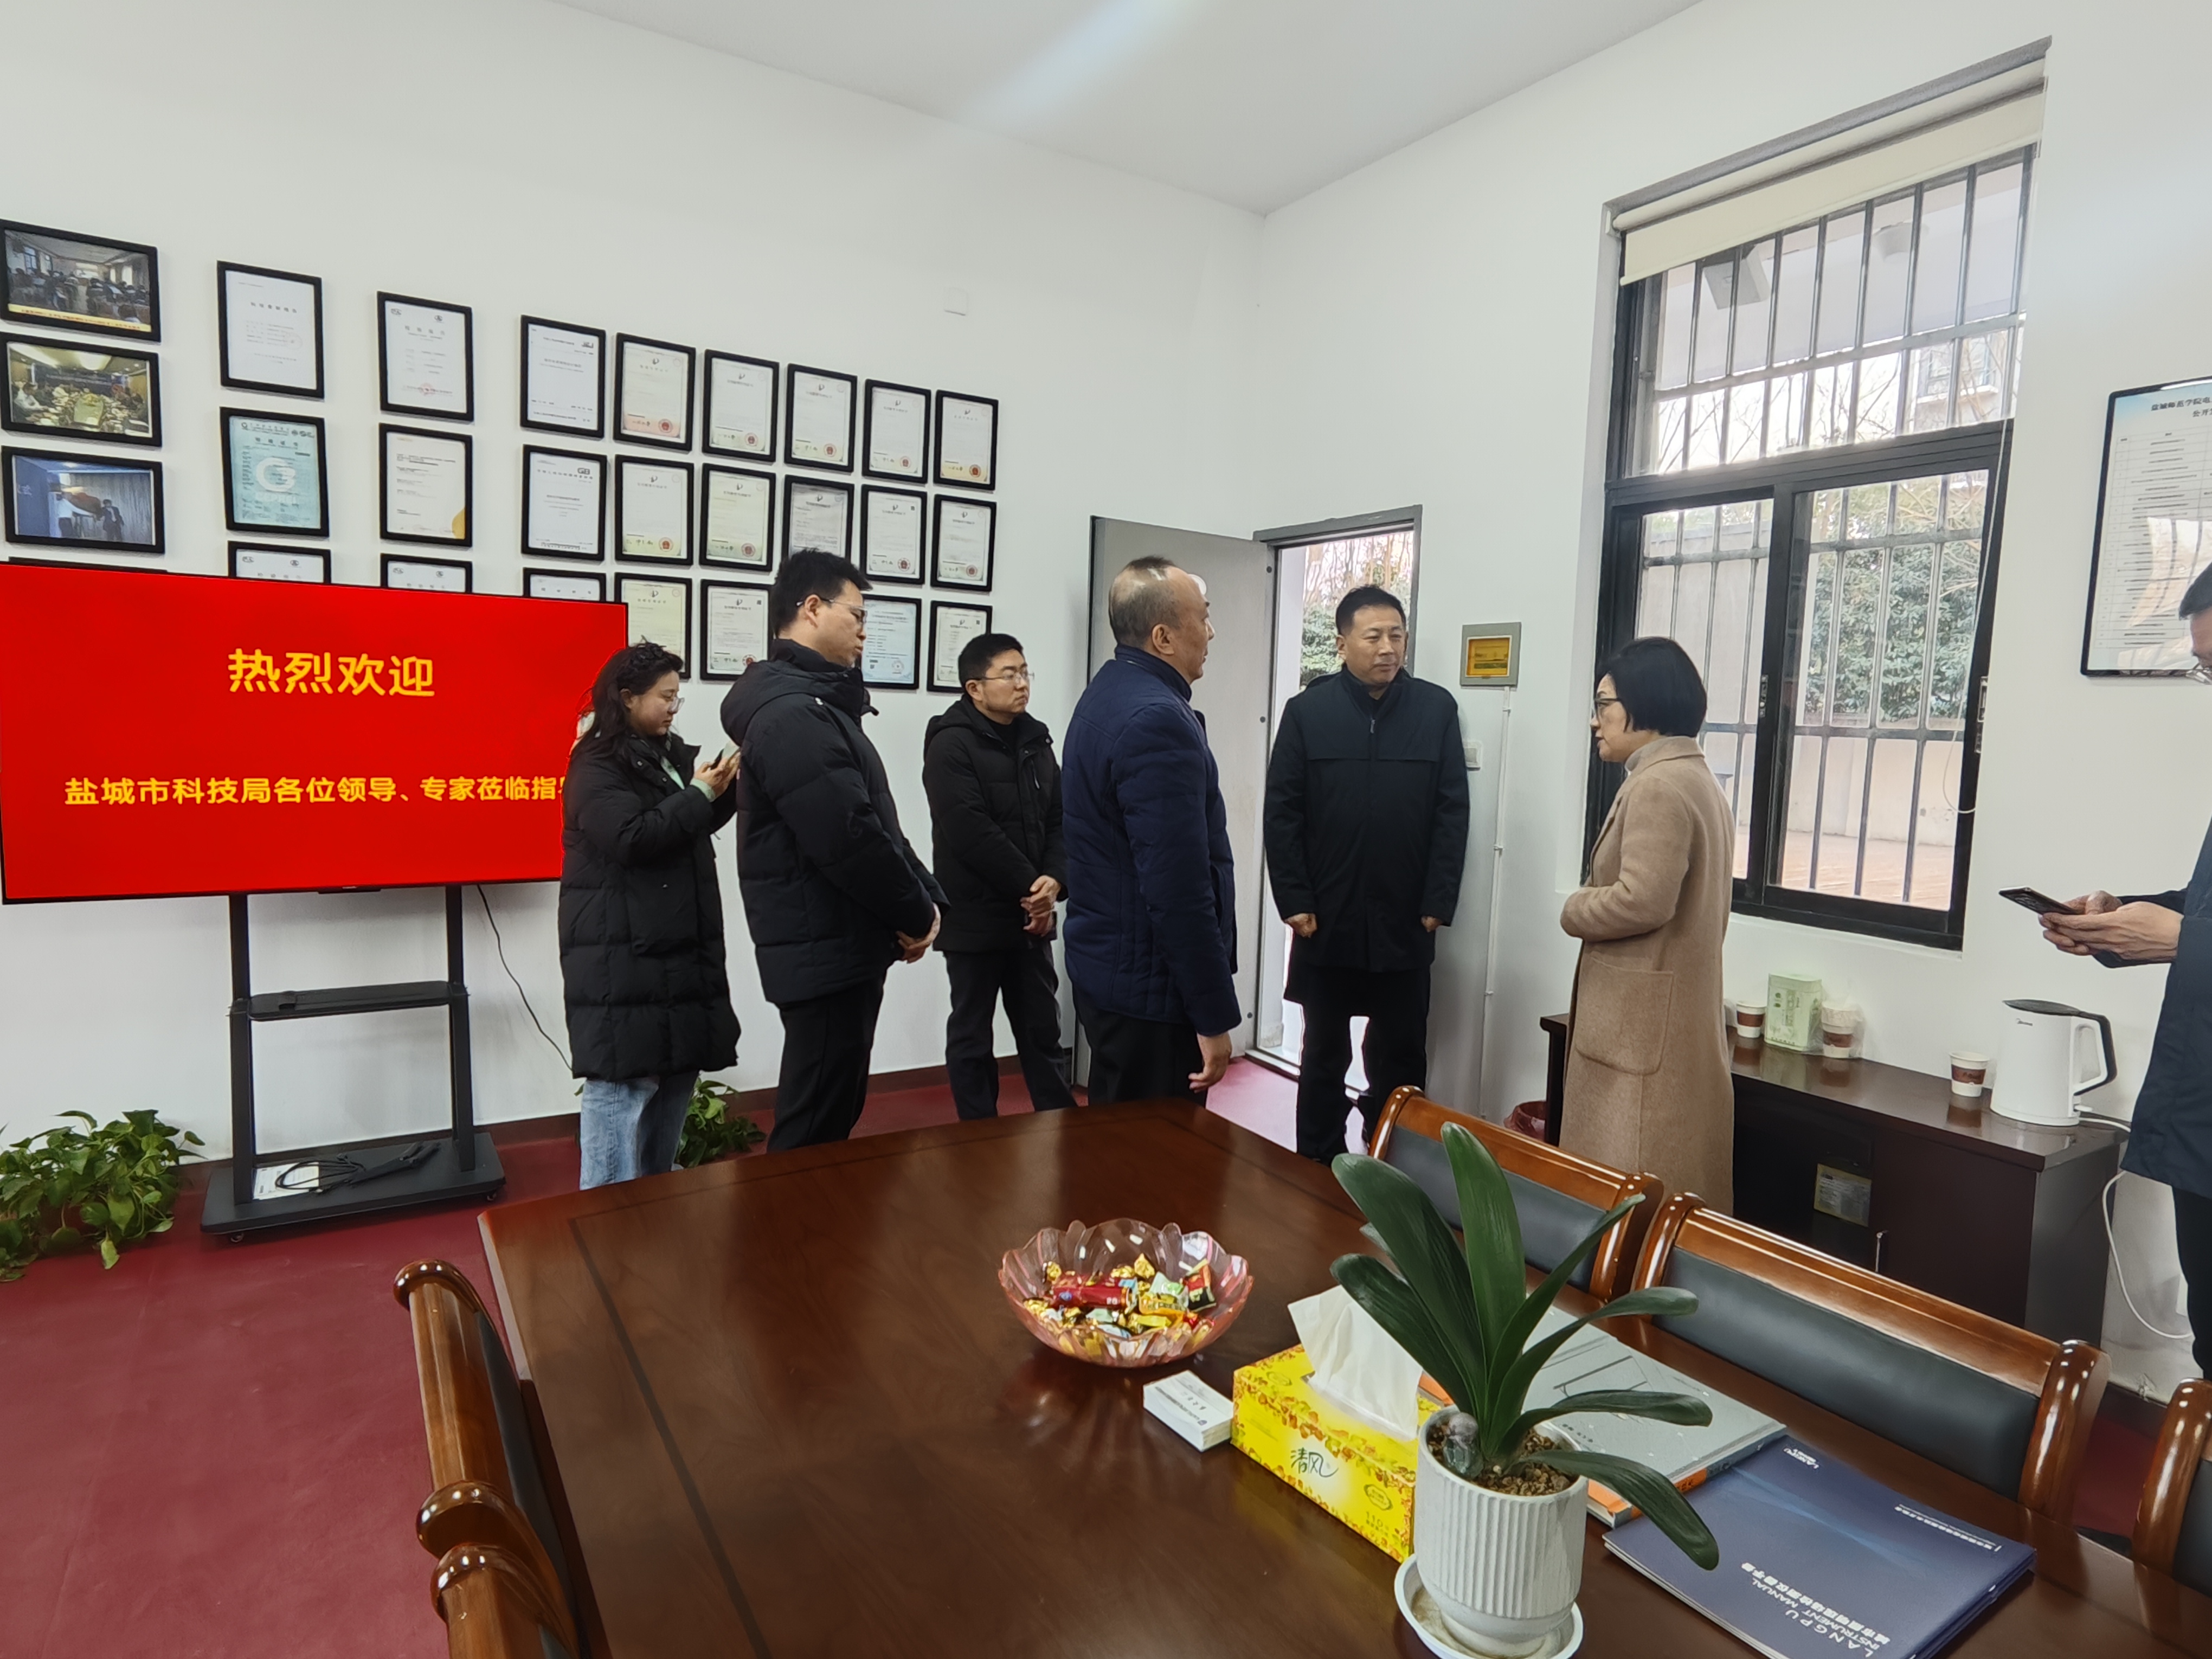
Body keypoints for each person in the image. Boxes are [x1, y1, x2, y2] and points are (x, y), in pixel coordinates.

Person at [2042, 565, 2212, 1375]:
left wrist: (2181, 941)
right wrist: (2122, 920)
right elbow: (2199, 908)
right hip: (2200, 1120)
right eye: (2206, 668)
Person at [719, 549, 944, 1150]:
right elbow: (849, 838)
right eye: (858, 615)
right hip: (822, 948)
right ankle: (791, 1217)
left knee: (832, 1111)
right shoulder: (792, 714)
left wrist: (928, 899)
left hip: (838, 942)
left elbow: (872, 819)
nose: (866, 631)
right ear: (813, 608)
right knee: (813, 1124)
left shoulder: (817, 704)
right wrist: (915, 912)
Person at [1264, 585, 1469, 1161]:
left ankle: (1394, 1159)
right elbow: (1283, 812)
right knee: (1324, 1051)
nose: (1388, 648)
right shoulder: (1308, 712)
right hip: (1326, 916)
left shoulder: (1435, 710)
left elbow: (1452, 812)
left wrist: (1438, 900)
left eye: (1396, 635)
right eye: (1373, 636)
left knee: (1400, 1052)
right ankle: (1317, 1159)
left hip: (1405, 916)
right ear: (1342, 643)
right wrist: (1294, 898)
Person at [1558, 636, 1734, 1210]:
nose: (1596, 720)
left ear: (1646, 704)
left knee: (1628, 1200)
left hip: (1639, 1038)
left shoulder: (1657, 785)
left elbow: (1643, 900)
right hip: (1669, 1022)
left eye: (1604, 704)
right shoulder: (1696, 777)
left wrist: (1574, 908)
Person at [558, 642, 742, 1189]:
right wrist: (700, 792)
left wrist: (723, 789)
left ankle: (654, 1200)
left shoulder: (665, 753)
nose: (672, 708)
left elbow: (684, 822)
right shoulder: (595, 764)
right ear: (627, 697)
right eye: (664, 697)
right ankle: (606, 1214)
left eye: (677, 698)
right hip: (621, 952)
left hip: (675, 946)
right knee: (623, 1083)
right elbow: (632, 838)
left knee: (676, 1075)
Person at [1062, 557, 1238, 1103]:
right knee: (1157, 1149)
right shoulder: (1156, 720)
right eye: (1202, 618)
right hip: (1151, 991)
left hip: (1110, 968)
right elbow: (1178, 887)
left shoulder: (1109, 690)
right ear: (1163, 637)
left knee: (1120, 1137)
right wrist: (1212, 1014)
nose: (1211, 632)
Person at [922, 631, 1079, 1119]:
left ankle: (1059, 1122)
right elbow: (969, 830)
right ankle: (977, 1132)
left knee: (1042, 1029)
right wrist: (1033, 889)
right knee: (972, 1035)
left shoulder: (1036, 740)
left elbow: (1060, 818)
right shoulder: (950, 745)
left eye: (1025, 672)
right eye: (1009, 675)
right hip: (975, 917)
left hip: (1032, 917)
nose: (1022, 683)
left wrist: (1055, 879)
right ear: (974, 688)